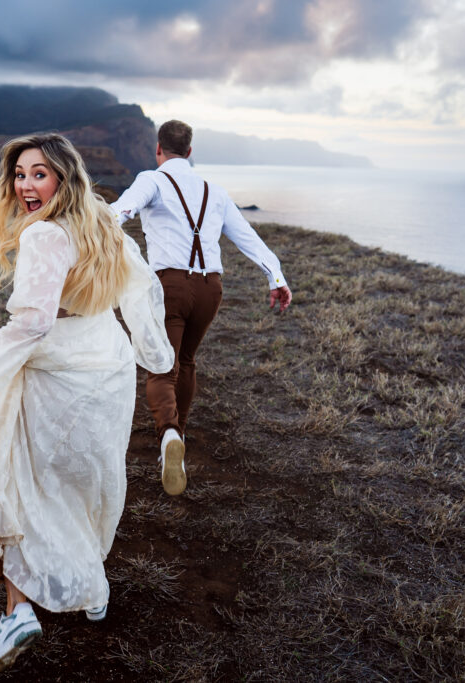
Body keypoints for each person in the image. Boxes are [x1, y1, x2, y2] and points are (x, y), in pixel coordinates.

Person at [0, 133, 173, 675]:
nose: (24, 186)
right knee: (88, 481)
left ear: (64, 176)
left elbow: (35, 321)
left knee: (25, 484)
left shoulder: (45, 237)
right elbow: (138, 291)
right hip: (107, 368)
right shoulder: (103, 221)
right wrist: (154, 358)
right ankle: (93, 588)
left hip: (58, 371)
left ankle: (18, 613)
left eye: (38, 173)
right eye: (18, 174)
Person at [111, 120, 292, 496]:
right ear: (190, 152)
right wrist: (276, 276)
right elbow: (247, 237)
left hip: (170, 286)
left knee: (163, 365)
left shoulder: (153, 179)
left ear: (158, 149)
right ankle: (181, 430)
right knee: (187, 361)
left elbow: (121, 211)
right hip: (211, 288)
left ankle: (169, 436)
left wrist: (83, 232)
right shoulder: (215, 191)